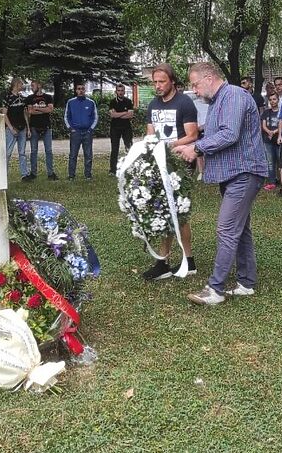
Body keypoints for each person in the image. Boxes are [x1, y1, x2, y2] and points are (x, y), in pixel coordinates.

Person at [172, 62, 268, 305]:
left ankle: (215, 290)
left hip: (244, 173)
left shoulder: (233, 95)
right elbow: (215, 131)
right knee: (240, 230)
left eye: (195, 84)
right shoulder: (218, 102)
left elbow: (229, 134)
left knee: (226, 229)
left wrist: (196, 148)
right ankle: (246, 283)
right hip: (234, 174)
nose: (194, 90)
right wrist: (184, 144)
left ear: (209, 78)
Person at [142, 63, 199, 281]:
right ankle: (163, 262)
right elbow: (150, 135)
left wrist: (169, 146)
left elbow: (192, 135)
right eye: (155, 82)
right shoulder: (153, 105)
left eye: (161, 81)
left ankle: (188, 261)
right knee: (163, 210)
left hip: (180, 165)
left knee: (179, 213)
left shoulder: (184, 103)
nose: (157, 86)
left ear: (172, 81)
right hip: (158, 163)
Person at [64, 82, 98, 180]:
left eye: (82, 89)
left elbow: (95, 117)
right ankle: (71, 175)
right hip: (76, 133)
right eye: (79, 89)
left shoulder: (91, 102)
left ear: (85, 90)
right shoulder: (70, 102)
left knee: (88, 155)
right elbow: (66, 116)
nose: (81, 91)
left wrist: (91, 129)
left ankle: (88, 175)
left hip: (87, 132)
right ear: (76, 90)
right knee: (73, 155)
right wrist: (71, 129)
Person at [26, 80, 58, 180]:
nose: (31, 87)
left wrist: (38, 109)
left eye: (33, 85)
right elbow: (30, 111)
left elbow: (50, 109)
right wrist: (43, 110)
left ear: (39, 85)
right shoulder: (30, 98)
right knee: (33, 151)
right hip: (34, 127)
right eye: (31, 86)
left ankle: (50, 173)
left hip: (46, 127)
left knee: (48, 151)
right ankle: (33, 173)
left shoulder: (48, 97)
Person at [3, 77, 31, 180]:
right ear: (16, 84)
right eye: (21, 84)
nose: (22, 86)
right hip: (12, 129)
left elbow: (25, 113)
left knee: (22, 152)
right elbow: (4, 114)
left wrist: (28, 128)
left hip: (22, 128)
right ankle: (3, 174)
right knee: (7, 153)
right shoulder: (8, 97)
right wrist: (10, 128)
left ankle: (24, 174)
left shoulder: (22, 98)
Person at [108, 83, 135, 175]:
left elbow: (130, 115)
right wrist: (124, 113)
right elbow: (112, 115)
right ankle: (112, 170)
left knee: (129, 147)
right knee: (114, 149)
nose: (120, 92)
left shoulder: (128, 101)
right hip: (115, 128)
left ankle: (131, 168)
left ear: (124, 91)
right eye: (118, 91)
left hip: (126, 128)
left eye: (122, 90)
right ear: (116, 92)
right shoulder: (112, 102)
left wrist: (118, 114)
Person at [260, 92, 280, 191]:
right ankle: (272, 181)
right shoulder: (266, 112)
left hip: (279, 140)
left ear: (278, 100)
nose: (272, 101)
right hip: (267, 140)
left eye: (274, 99)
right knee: (270, 162)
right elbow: (263, 125)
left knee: (281, 161)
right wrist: (269, 131)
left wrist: (275, 131)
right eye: (270, 100)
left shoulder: (281, 112)